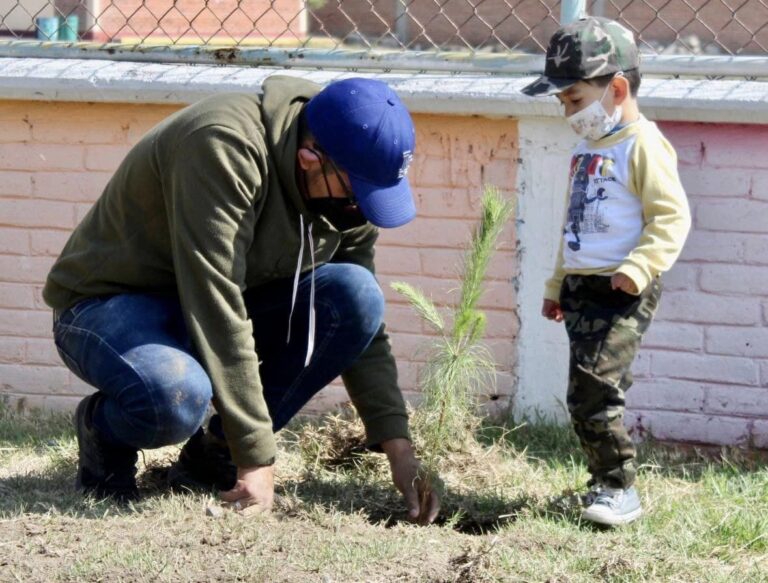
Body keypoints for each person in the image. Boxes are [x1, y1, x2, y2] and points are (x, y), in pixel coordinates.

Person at [44, 75, 440, 524]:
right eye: (358, 190)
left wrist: (398, 446)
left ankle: (211, 458)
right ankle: (104, 431)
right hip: (109, 306)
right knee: (174, 399)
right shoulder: (223, 145)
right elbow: (215, 302)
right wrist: (256, 457)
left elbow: (363, 327)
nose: (362, 206)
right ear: (311, 159)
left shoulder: (350, 181)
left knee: (354, 296)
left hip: (214, 302)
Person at [521, 17, 691, 526]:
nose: (566, 111)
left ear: (616, 89)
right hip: (581, 286)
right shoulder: (584, 150)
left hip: (622, 287)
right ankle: (602, 480)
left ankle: (620, 487)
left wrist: (639, 268)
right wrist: (557, 285)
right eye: (561, 102)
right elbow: (572, 228)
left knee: (595, 389)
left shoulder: (642, 145)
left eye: (573, 99)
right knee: (585, 391)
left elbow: (671, 215)